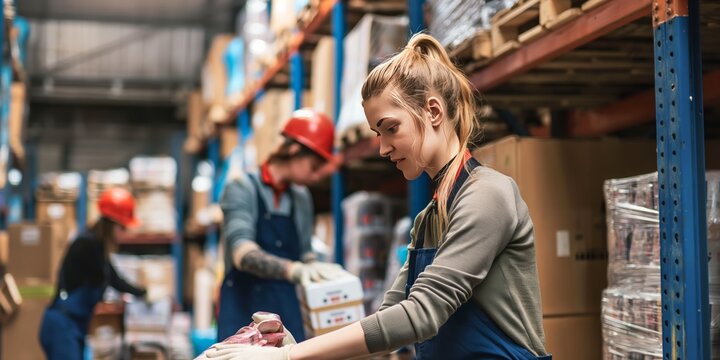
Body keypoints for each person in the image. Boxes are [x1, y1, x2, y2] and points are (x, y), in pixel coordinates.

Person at [197, 33, 551, 360]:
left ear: (433, 111)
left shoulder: (487, 195)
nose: (382, 148)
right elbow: (389, 324)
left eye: (390, 128)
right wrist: (296, 348)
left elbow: (421, 314)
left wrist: (289, 357)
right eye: (376, 133)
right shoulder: (429, 219)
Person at [216, 108, 347, 343]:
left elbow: (305, 254)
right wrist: (294, 270)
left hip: (286, 314)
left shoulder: (301, 197)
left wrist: (323, 276)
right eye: (314, 165)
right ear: (294, 149)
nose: (317, 176)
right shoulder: (241, 188)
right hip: (243, 309)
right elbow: (242, 254)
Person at [39, 187, 156, 359]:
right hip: (62, 326)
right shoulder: (86, 245)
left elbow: (115, 279)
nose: (124, 234)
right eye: (122, 228)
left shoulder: (98, 248)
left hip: (74, 326)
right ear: (112, 225)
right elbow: (106, 278)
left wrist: (142, 292)